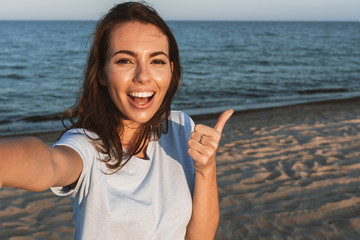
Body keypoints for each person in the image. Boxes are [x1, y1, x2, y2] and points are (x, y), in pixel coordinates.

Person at [0, 2, 233, 239]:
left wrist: (206, 168)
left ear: (171, 70)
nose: (143, 76)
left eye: (157, 61)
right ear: (101, 72)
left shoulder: (181, 127)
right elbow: (49, 164)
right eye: (125, 61)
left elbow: (200, 236)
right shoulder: (88, 147)